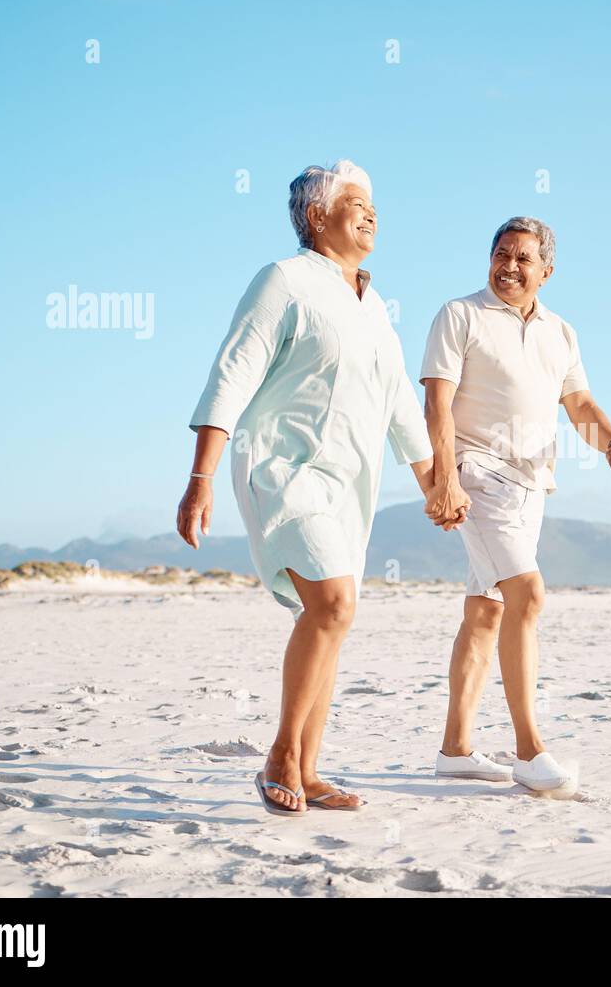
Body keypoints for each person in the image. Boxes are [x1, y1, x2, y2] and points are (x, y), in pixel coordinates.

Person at [177, 160, 436, 815]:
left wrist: (434, 481)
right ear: (318, 217)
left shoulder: (374, 304)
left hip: (349, 483)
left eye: (374, 202)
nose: (371, 212)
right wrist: (200, 476)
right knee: (335, 604)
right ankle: (280, 758)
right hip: (280, 469)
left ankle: (310, 766)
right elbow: (232, 372)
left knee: (329, 615)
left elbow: (401, 402)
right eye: (355, 201)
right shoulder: (283, 281)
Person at [419, 216, 611, 791]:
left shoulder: (561, 332)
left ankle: (455, 750)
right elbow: (436, 406)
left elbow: (580, 403)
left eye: (522, 258)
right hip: (476, 471)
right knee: (528, 595)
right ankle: (529, 751)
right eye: (500, 254)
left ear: (547, 270)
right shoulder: (459, 314)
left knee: (486, 609)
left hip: (531, 483)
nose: (508, 266)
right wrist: (444, 479)